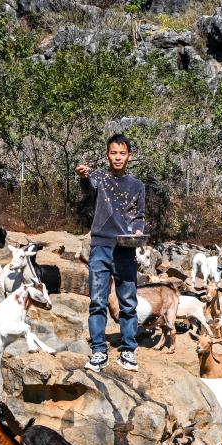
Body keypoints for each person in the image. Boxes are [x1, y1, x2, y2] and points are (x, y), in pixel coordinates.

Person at [76, 133, 145, 372]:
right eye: (113, 153)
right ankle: (98, 350)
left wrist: (137, 231)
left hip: (125, 249)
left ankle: (128, 350)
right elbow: (88, 189)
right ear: (107, 155)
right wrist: (84, 177)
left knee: (128, 302)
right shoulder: (99, 178)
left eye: (122, 153)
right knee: (97, 301)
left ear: (129, 156)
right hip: (100, 247)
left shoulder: (137, 186)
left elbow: (139, 216)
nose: (117, 157)